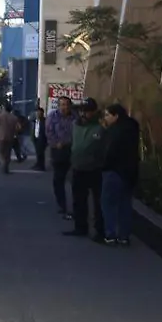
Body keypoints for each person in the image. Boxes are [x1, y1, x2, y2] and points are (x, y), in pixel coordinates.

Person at [65, 98, 106, 241]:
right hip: (78, 167)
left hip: (95, 169)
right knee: (78, 200)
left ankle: (100, 230)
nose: (83, 113)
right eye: (82, 110)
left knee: (98, 202)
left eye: (87, 111)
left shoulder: (100, 127)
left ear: (94, 112)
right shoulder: (75, 126)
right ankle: (80, 227)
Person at [101, 104, 140, 246]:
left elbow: (109, 151)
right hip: (129, 172)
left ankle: (110, 235)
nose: (105, 118)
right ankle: (124, 236)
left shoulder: (114, 131)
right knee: (125, 204)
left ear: (115, 116)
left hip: (113, 171)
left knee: (109, 203)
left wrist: (103, 165)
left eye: (107, 115)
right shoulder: (132, 128)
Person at [46, 97, 77, 215]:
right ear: (58, 106)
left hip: (73, 150)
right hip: (58, 150)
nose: (65, 107)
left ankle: (76, 205)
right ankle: (62, 204)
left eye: (67, 105)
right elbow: (49, 132)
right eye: (62, 105)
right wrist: (55, 143)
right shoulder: (52, 117)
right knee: (59, 179)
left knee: (75, 179)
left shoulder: (75, 117)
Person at [0, 103, 19, 174]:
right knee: (8, 154)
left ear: (4, 108)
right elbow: (16, 129)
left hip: (0, 138)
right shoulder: (14, 118)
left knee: (0, 153)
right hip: (10, 137)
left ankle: (3, 163)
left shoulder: (0, 116)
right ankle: (6, 167)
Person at [32, 106, 48, 171]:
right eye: (37, 113)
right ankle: (38, 164)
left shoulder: (45, 121)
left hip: (42, 139)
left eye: (40, 113)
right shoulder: (35, 120)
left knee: (41, 153)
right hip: (36, 138)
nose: (38, 114)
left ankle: (42, 166)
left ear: (42, 113)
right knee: (38, 153)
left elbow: (46, 130)